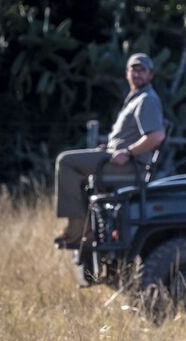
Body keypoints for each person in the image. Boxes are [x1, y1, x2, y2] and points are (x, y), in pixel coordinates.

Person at [54, 53, 165, 248]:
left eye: (142, 70)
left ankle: (78, 230)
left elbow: (156, 136)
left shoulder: (147, 99)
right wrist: (111, 148)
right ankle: (86, 229)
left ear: (151, 75)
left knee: (66, 162)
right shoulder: (136, 98)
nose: (137, 74)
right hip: (117, 159)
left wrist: (128, 152)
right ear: (127, 73)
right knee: (73, 167)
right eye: (134, 69)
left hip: (130, 167)